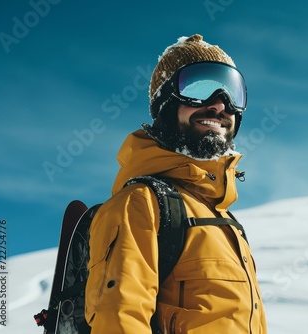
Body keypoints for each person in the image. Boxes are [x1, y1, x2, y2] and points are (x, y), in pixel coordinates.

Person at [85, 34, 267, 333]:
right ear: (166, 103)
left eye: (232, 92)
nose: (220, 104)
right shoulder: (141, 203)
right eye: (200, 88)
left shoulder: (226, 221)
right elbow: (119, 320)